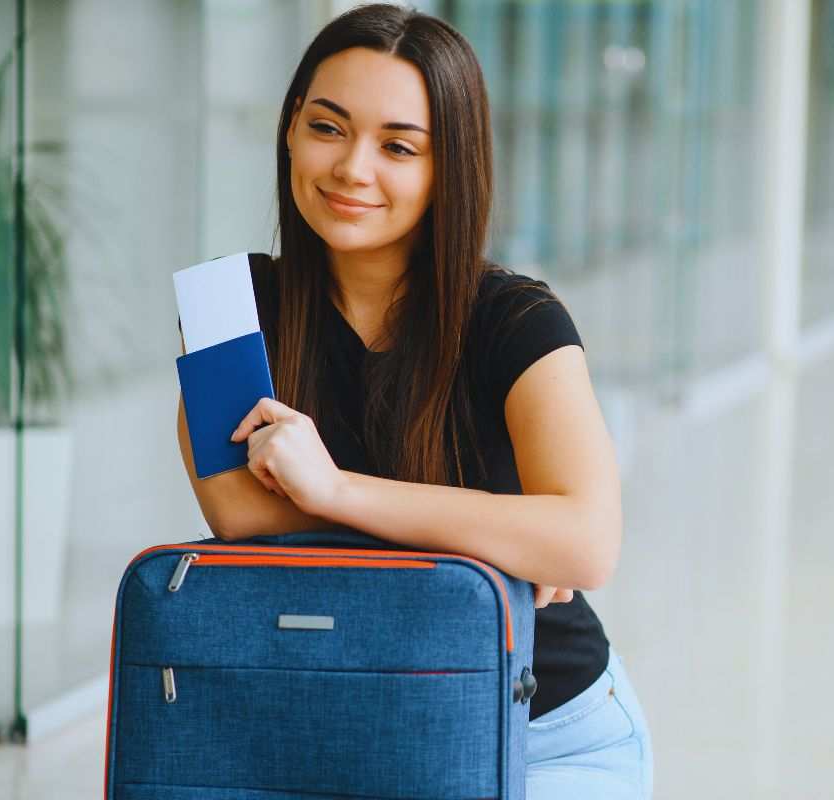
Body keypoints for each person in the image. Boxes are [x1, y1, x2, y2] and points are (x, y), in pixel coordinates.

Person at [175, 4, 653, 798]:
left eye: (399, 147)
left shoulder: (518, 320)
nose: (353, 169)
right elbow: (242, 515)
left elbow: (587, 544)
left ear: (447, 169)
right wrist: (493, 546)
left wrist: (333, 490)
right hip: (321, 719)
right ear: (292, 129)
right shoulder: (230, 304)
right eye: (328, 128)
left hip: (545, 735)